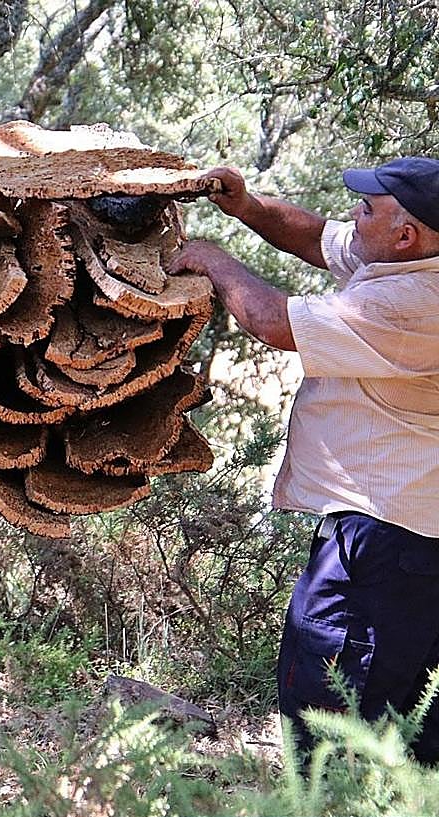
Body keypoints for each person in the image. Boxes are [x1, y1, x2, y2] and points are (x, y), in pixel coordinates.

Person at [170, 157, 439, 761]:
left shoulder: (416, 301)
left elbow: (273, 323)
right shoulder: (406, 255)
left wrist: (213, 260)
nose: (353, 216)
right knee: (410, 723)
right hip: (408, 534)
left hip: (386, 541)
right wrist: (246, 206)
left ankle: (328, 796)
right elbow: (318, 237)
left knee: (330, 706)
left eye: (366, 209)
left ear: (406, 235)